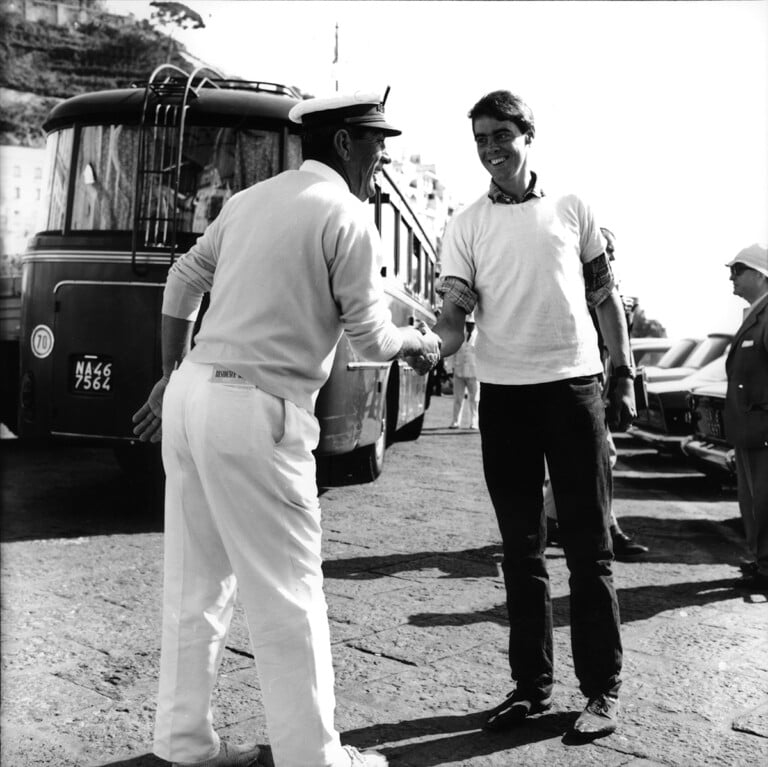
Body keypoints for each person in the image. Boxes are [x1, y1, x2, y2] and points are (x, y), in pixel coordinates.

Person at [131, 91, 440, 767]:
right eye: (375, 139)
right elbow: (369, 333)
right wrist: (417, 340)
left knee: (195, 581)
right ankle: (315, 759)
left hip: (191, 395)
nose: (382, 153)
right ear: (343, 143)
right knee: (290, 593)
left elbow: (183, 278)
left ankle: (184, 743)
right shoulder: (349, 219)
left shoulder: (248, 201)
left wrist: (170, 369)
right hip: (259, 410)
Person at [432, 90, 636, 739]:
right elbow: (454, 320)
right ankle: (531, 688)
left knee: (589, 549)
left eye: (501, 135)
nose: (491, 149)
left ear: (528, 133)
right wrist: (425, 343)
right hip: (506, 399)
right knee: (520, 552)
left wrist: (623, 371)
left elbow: (606, 299)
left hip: (575, 392)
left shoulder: (573, 208)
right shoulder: (465, 224)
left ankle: (602, 689)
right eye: (481, 140)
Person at [545, 228, 650, 560]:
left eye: (614, 252)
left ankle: (552, 521)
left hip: (596, 386)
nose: (612, 258)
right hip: (574, 385)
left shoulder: (609, 291)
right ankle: (605, 529)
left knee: (595, 457)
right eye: (607, 251)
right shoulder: (577, 288)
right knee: (599, 456)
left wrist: (621, 383)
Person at [724, 244, 768, 593]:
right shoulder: (756, 314)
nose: (732, 277)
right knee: (753, 502)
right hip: (750, 430)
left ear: (760, 274)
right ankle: (761, 561)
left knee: (765, 501)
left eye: (738, 270)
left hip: (763, 429)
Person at [446, 318, 479, 429]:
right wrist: (449, 370)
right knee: (457, 399)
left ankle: (474, 422)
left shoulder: (479, 337)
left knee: (474, 400)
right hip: (459, 372)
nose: (470, 326)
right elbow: (452, 353)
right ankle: (455, 421)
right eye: (468, 324)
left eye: (472, 324)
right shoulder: (459, 337)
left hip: (474, 374)